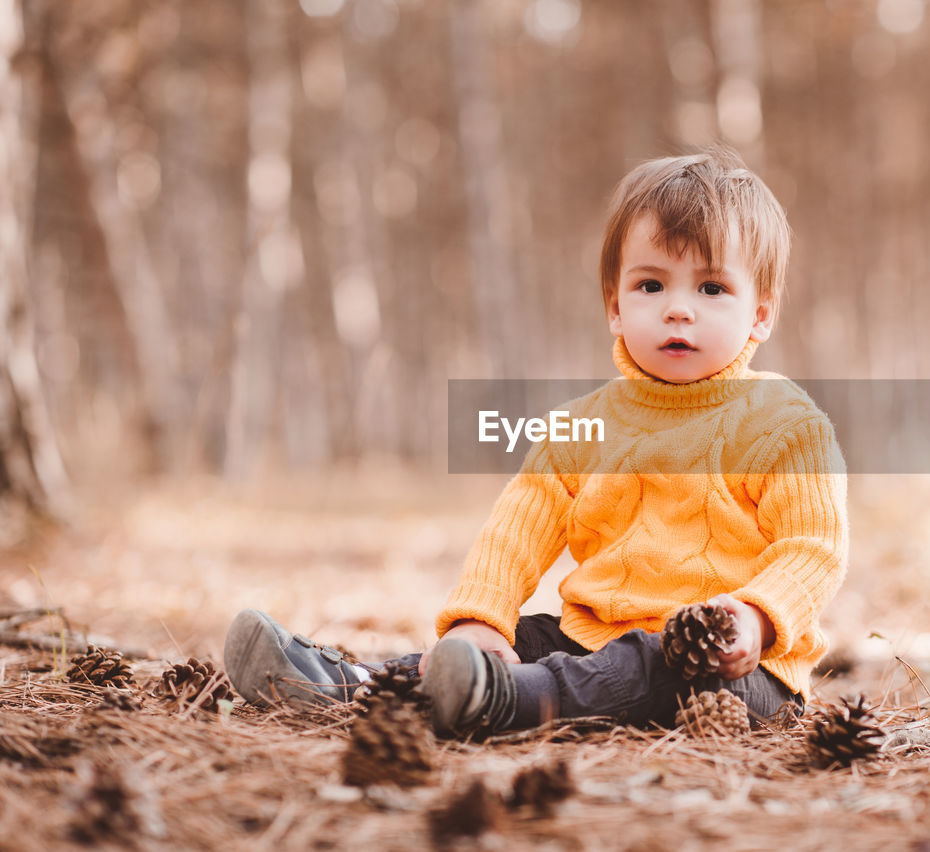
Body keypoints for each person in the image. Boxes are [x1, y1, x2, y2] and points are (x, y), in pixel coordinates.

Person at [224, 146, 848, 737]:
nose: (677, 309)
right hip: (591, 637)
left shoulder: (785, 424)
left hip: (734, 671)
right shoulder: (581, 425)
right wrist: (478, 619)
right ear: (614, 305)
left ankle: (504, 699)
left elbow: (813, 549)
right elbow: (517, 529)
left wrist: (757, 618)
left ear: (760, 314)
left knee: (652, 663)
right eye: (651, 286)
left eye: (711, 289)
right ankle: (353, 687)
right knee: (521, 638)